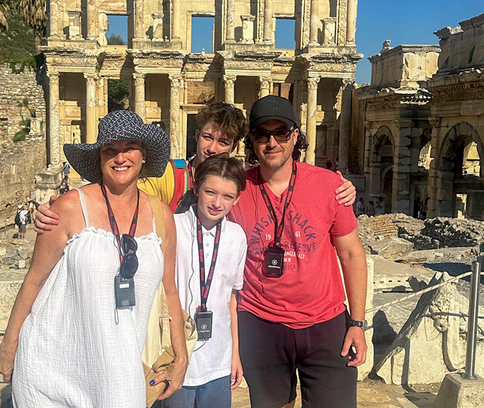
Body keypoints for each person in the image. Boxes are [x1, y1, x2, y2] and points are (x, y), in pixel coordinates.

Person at [0, 110, 187, 407]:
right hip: (52, 367)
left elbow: (170, 289)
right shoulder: (69, 206)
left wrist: (181, 354)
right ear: (99, 157)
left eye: (129, 148)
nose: (120, 157)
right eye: (110, 149)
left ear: (144, 154)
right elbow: (35, 279)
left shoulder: (162, 215)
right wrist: (9, 345)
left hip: (121, 370)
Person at [34, 102, 357, 232]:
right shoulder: (169, 175)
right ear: (196, 135)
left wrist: (341, 188)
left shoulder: (242, 183)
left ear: (233, 147)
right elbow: (118, 192)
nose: (212, 148)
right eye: (207, 137)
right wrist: (65, 205)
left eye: (223, 142)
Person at [233, 95, 367, 408]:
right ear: (251, 140)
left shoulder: (330, 186)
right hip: (260, 323)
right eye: (262, 134)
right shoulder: (236, 189)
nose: (272, 142)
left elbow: (351, 254)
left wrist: (357, 324)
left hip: (326, 324)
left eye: (280, 132)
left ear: (295, 136)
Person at [162, 154, 247, 408]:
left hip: (218, 361)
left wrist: (235, 354)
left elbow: (231, 299)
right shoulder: (172, 227)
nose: (217, 203)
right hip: (175, 358)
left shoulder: (236, 236)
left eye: (227, 196)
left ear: (237, 199)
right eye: (210, 192)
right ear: (196, 188)